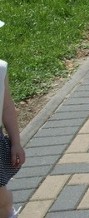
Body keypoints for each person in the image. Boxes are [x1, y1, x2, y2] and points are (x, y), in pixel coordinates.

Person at [0, 50, 26, 218]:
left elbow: (7, 107)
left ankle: (8, 211)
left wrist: (16, 143)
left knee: (1, 198)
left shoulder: (0, 69)